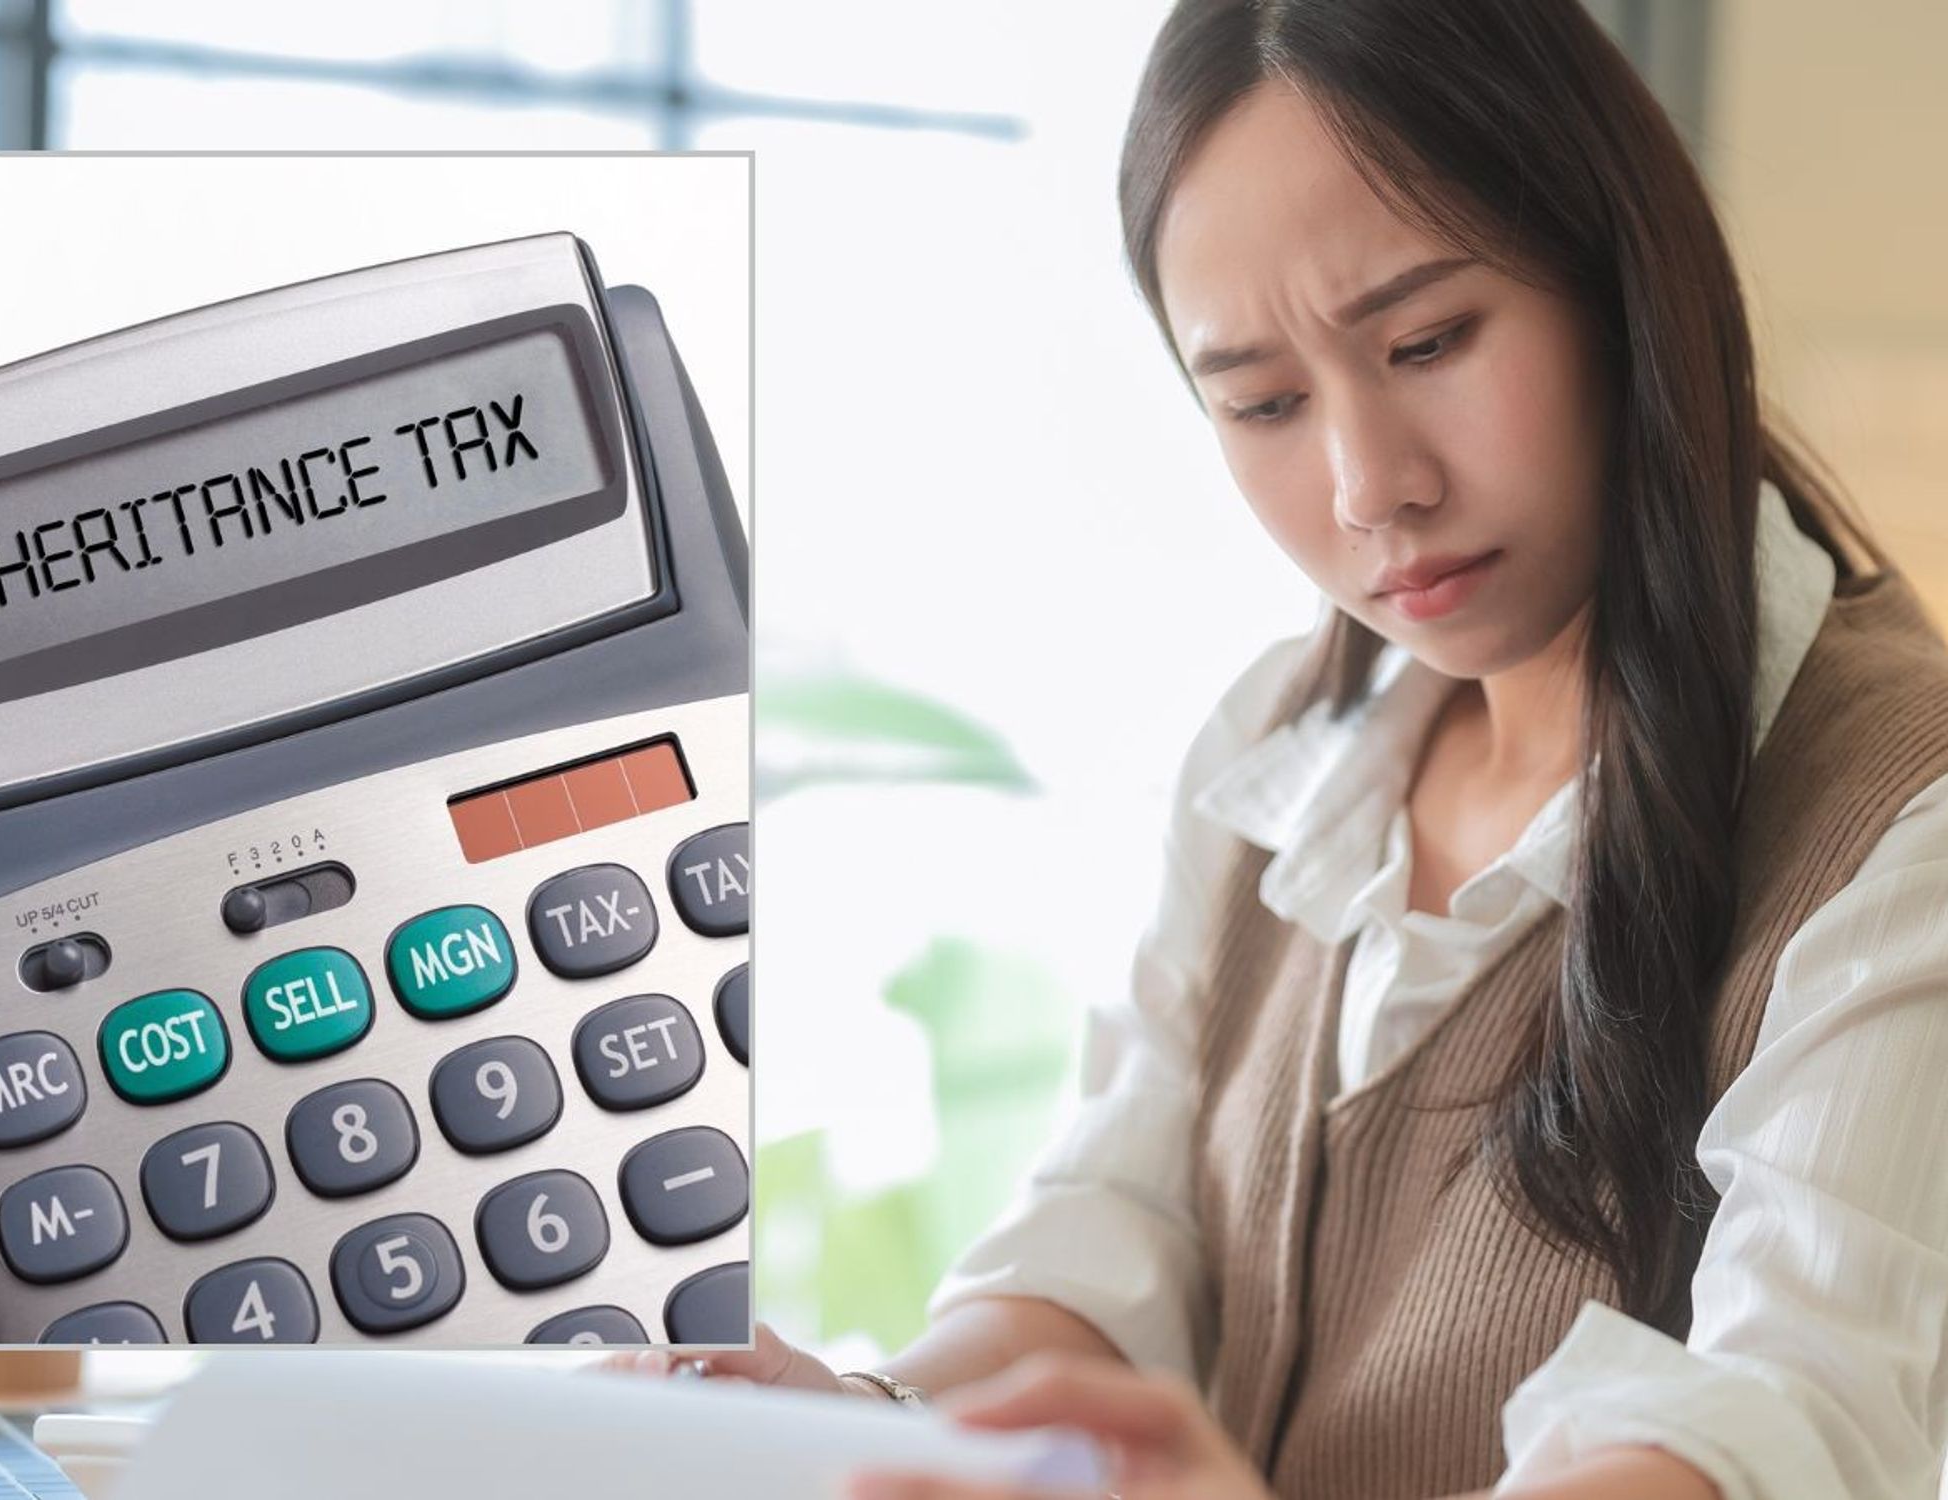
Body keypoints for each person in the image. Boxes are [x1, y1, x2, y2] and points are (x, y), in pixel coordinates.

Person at [611, 2, 1948, 1496]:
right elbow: (1125, 1236)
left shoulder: (1900, 810)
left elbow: (1785, 1423)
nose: (1371, 484)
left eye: (1429, 340)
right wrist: (856, 1412)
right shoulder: (1279, 752)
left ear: (1622, 279)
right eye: (1261, 402)